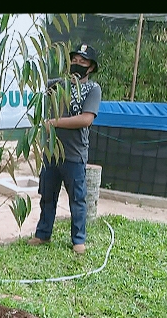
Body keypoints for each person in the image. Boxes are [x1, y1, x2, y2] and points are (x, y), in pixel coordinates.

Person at [27, 43, 102, 255]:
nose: (77, 64)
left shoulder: (93, 89)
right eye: (74, 60)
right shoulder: (58, 85)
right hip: (51, 153)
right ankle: (43, 234)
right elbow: (34, 86)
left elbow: (86, 119)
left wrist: (55, 122)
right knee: (47, 196)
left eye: (83, 61)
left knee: (77, 200)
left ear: (91, 68)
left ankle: (78, 240)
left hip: (74, 155)